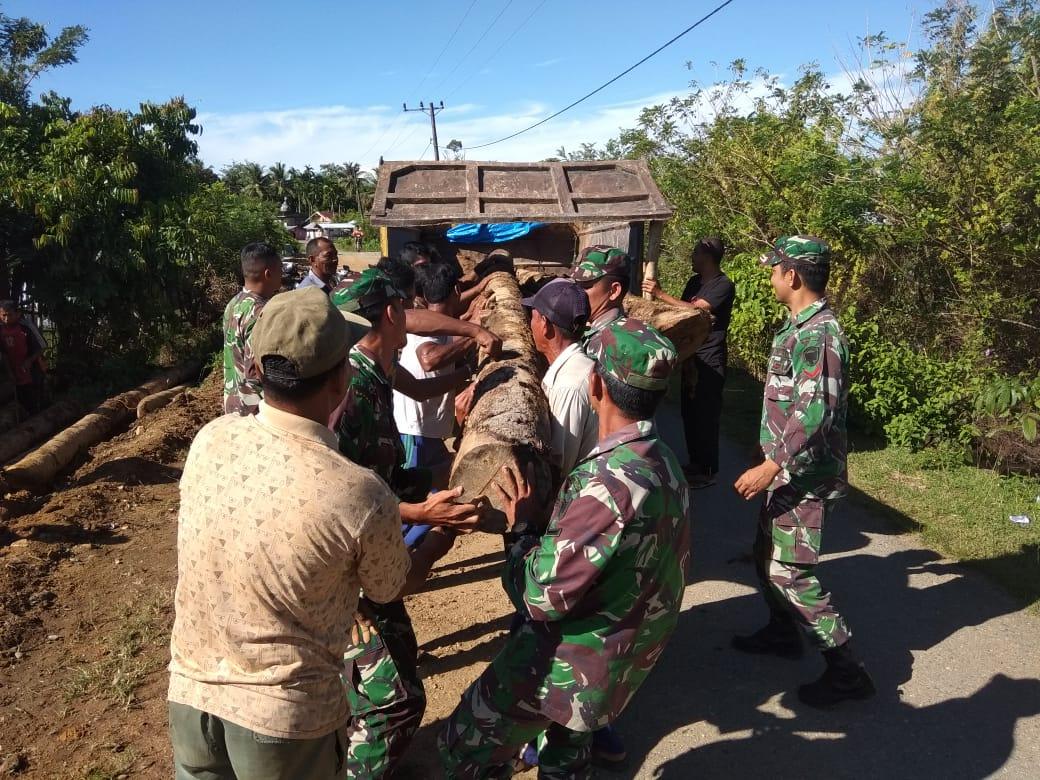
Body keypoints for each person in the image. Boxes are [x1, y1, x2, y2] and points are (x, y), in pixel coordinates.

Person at [168, 287, 445, 779]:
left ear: (256, 368)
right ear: (341, 381)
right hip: (284, 719)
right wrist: (442, 532)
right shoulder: (357, 491)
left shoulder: (210, 440)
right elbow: (390, 587)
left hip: (191, 698)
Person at [440, 319, 691, 778]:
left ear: (596, 384)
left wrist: (521, 530)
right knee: (567, 758)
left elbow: (539, 595)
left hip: (568, 664)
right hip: (620, 657)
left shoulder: (608, 482)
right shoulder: (665, 463)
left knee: (462, 743)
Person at [332, 268, 482, 777]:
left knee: (395, 665)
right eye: (405, 309)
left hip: (375, 544)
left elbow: (417, 393)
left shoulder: (379, 368)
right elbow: (339, 497)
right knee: (398, 700)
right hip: (349, 564)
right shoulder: (350, 389)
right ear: (393, 314)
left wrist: (471, 381)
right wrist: (422, 514)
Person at [732, 235, 875, 708]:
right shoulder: (799, 327)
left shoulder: (819, 335)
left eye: (774, 270)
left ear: (791, 276)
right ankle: (782, 632)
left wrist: (772, 463)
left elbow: (817, 412)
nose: (771, 278)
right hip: (785, 473)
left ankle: (848, 670)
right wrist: (769, 458)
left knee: (790, 571)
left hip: (805, 476)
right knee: (764, 553)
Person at [642, 237, 736, 488]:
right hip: (691, 358)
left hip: (710, 359)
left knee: (706, 414)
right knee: (690, 413)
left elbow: (697, 311)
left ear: (707, 256)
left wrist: (659, 293)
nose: (692, 257)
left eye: (695, 252)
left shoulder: (723, 285)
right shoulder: (694, 282)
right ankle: (695, 464)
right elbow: (680, 312)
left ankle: (708, 471)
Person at [394, 262, 475, 488]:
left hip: (428, 432)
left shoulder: (439, 326)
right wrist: (474, 337)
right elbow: (429, 359)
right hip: (414, 433)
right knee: (414, 494)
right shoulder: (426, 328)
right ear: (457, 290)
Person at [522, 278, 597, 480]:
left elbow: (559, 469)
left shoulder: (569, 385)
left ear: (545, 325)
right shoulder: (575, 367)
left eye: (533, 317)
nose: (530, 324)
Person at [222, 242, 283, 415]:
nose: (282, 274)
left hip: (233, 403)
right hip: (254, 410)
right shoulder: (261, 313)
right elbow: (255, 373)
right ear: (268, 274)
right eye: (280, 269)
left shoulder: (234, 303)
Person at [570, 245, 630, 349]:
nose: (575, 292)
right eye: (575, 285)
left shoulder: (623, 345)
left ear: (614, 291)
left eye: (585, 286)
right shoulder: (592, 333)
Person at [0, 300, 46, 417]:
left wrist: (29, 361)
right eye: (3, 315)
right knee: (22, 402)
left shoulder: (26, 326)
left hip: (33, 371)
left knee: (36, 401)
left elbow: (42, 347)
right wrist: (10, 372)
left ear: (18, 314)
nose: (6, 319)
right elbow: (4, 354)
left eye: (10, 315)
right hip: (16, 371)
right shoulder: (1, 330)